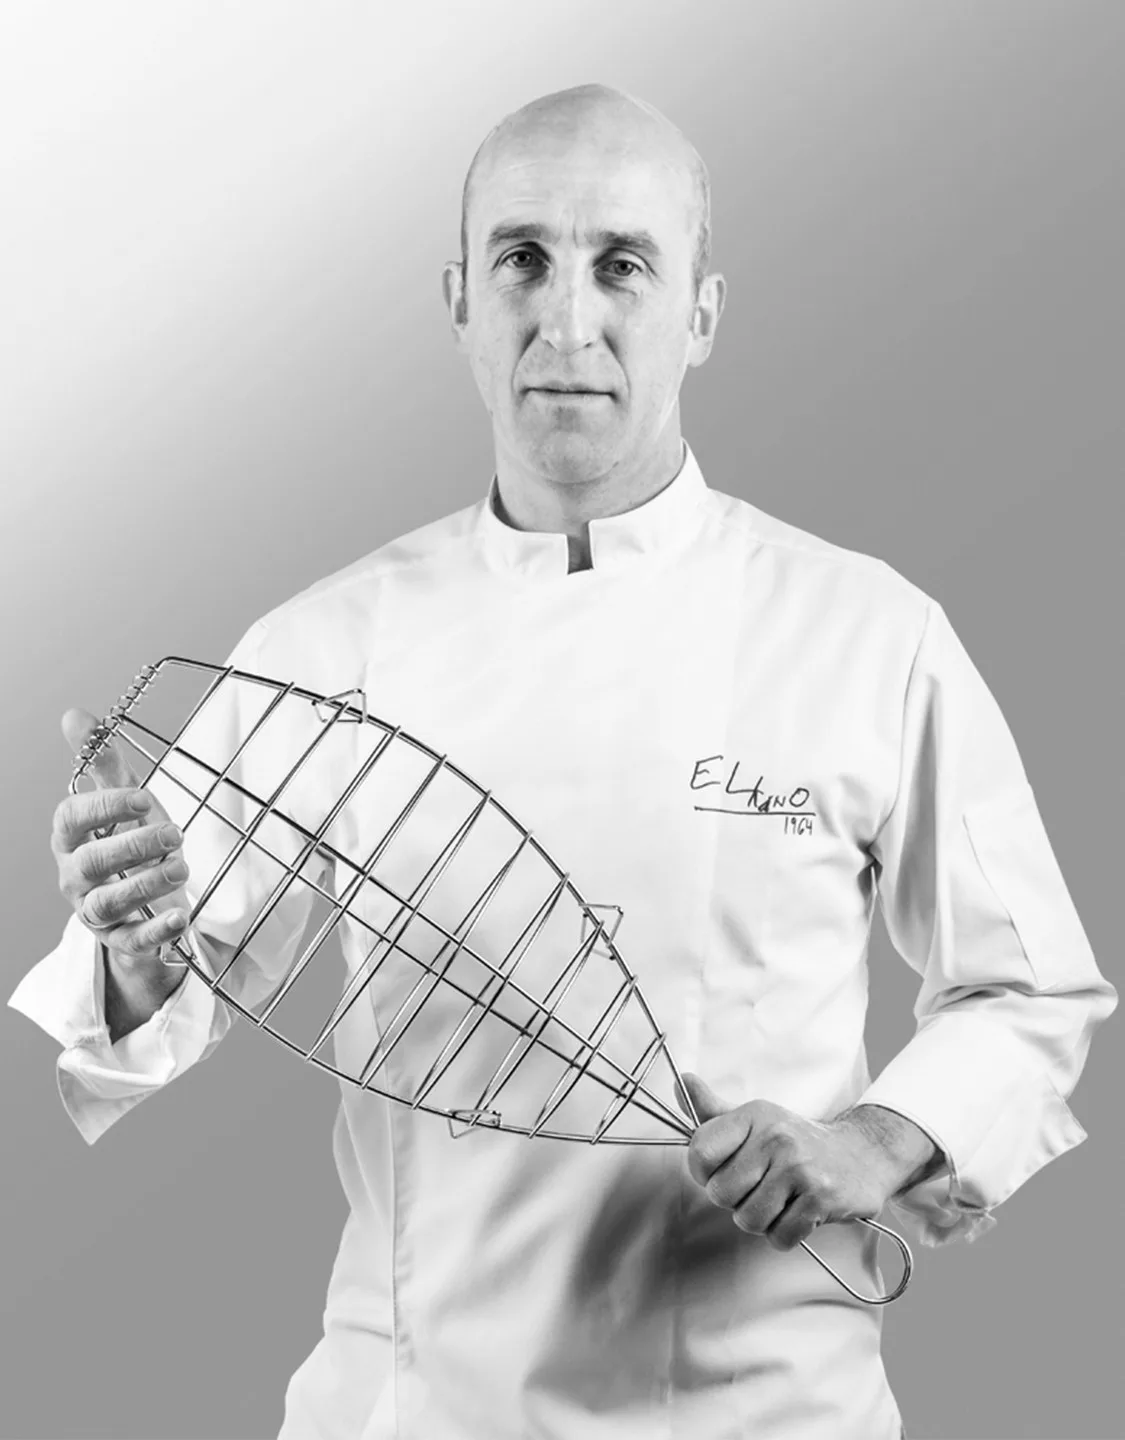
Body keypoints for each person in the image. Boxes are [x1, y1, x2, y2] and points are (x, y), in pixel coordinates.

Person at [10, 82, 1116, 1440]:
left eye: (623, 266)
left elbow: (1032, 991)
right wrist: (133, 946)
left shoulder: (869, 633)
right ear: (460, 303)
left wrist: (871, 1145)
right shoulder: (325, 645)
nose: (569, 322)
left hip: (771, 1413)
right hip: (412, 1410)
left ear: (703, 313)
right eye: (522, 259)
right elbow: (155, 997)